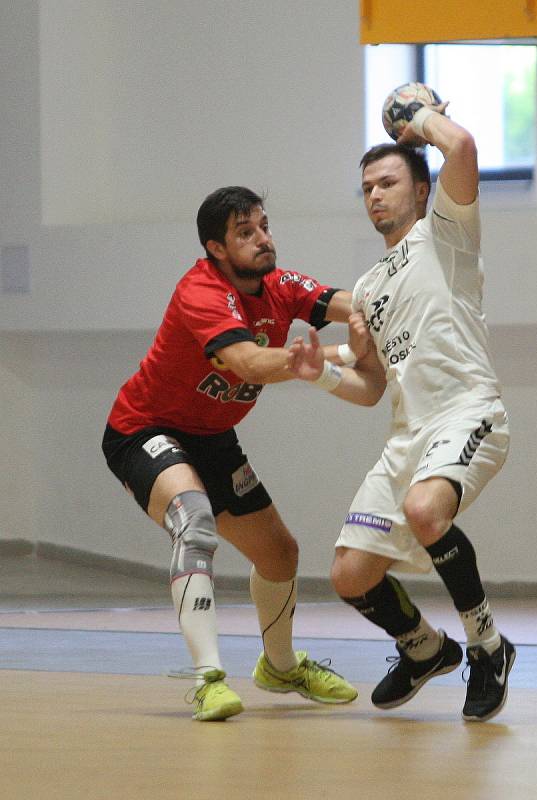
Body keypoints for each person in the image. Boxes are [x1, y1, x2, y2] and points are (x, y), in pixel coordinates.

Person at [288, 101, 515, 721]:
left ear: (420, 189)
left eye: (387, 183)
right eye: (366, 188)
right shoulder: (364, 288)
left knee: (424, 510)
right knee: (349, 575)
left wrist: (418, 117)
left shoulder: (446, 231)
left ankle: (488, 646)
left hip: (468, 412)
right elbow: (368, 385)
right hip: (407, 434)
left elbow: (461, 148)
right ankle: (423, 649)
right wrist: (323, 371)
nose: (374, 196)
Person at [102, 186, 362, 720]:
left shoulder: (280, 284)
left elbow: (358, 306)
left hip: (213, 438)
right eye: (246, 233)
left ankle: (282, 667)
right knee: (193, 520)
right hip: (144, 429)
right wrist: (341, 353)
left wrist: (406, 311)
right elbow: (248, 363)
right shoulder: (202, 291)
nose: (263, 239)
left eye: (264, 226)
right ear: (216, 248)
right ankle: (208, 678)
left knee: (280, 554)